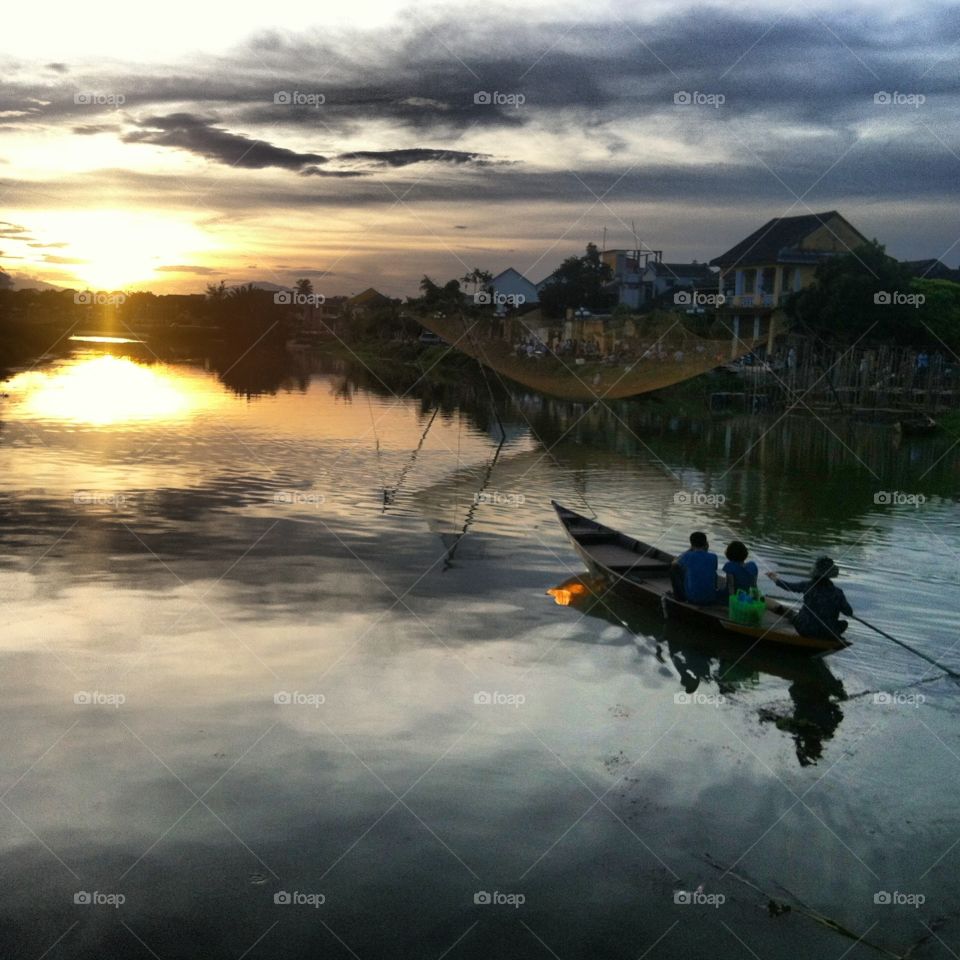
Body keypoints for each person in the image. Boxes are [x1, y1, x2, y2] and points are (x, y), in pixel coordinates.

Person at [766, 557, 853, 639]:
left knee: (795, 617)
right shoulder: (838, 593)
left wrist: (775, 578)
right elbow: (848, 612)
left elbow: (788, 586)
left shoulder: (807, 585)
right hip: (827, 632)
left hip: (805, 629)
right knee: (844, 624)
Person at [671, 532, 720, 605]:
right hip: (711, 597)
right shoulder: (714, 557)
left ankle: (679, 597)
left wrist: (689, 549)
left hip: (693, 598)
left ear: (691, 544)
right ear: (706, 543)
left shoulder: (688, 555)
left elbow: (674, 562)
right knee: (711, 570)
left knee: (674, 568)